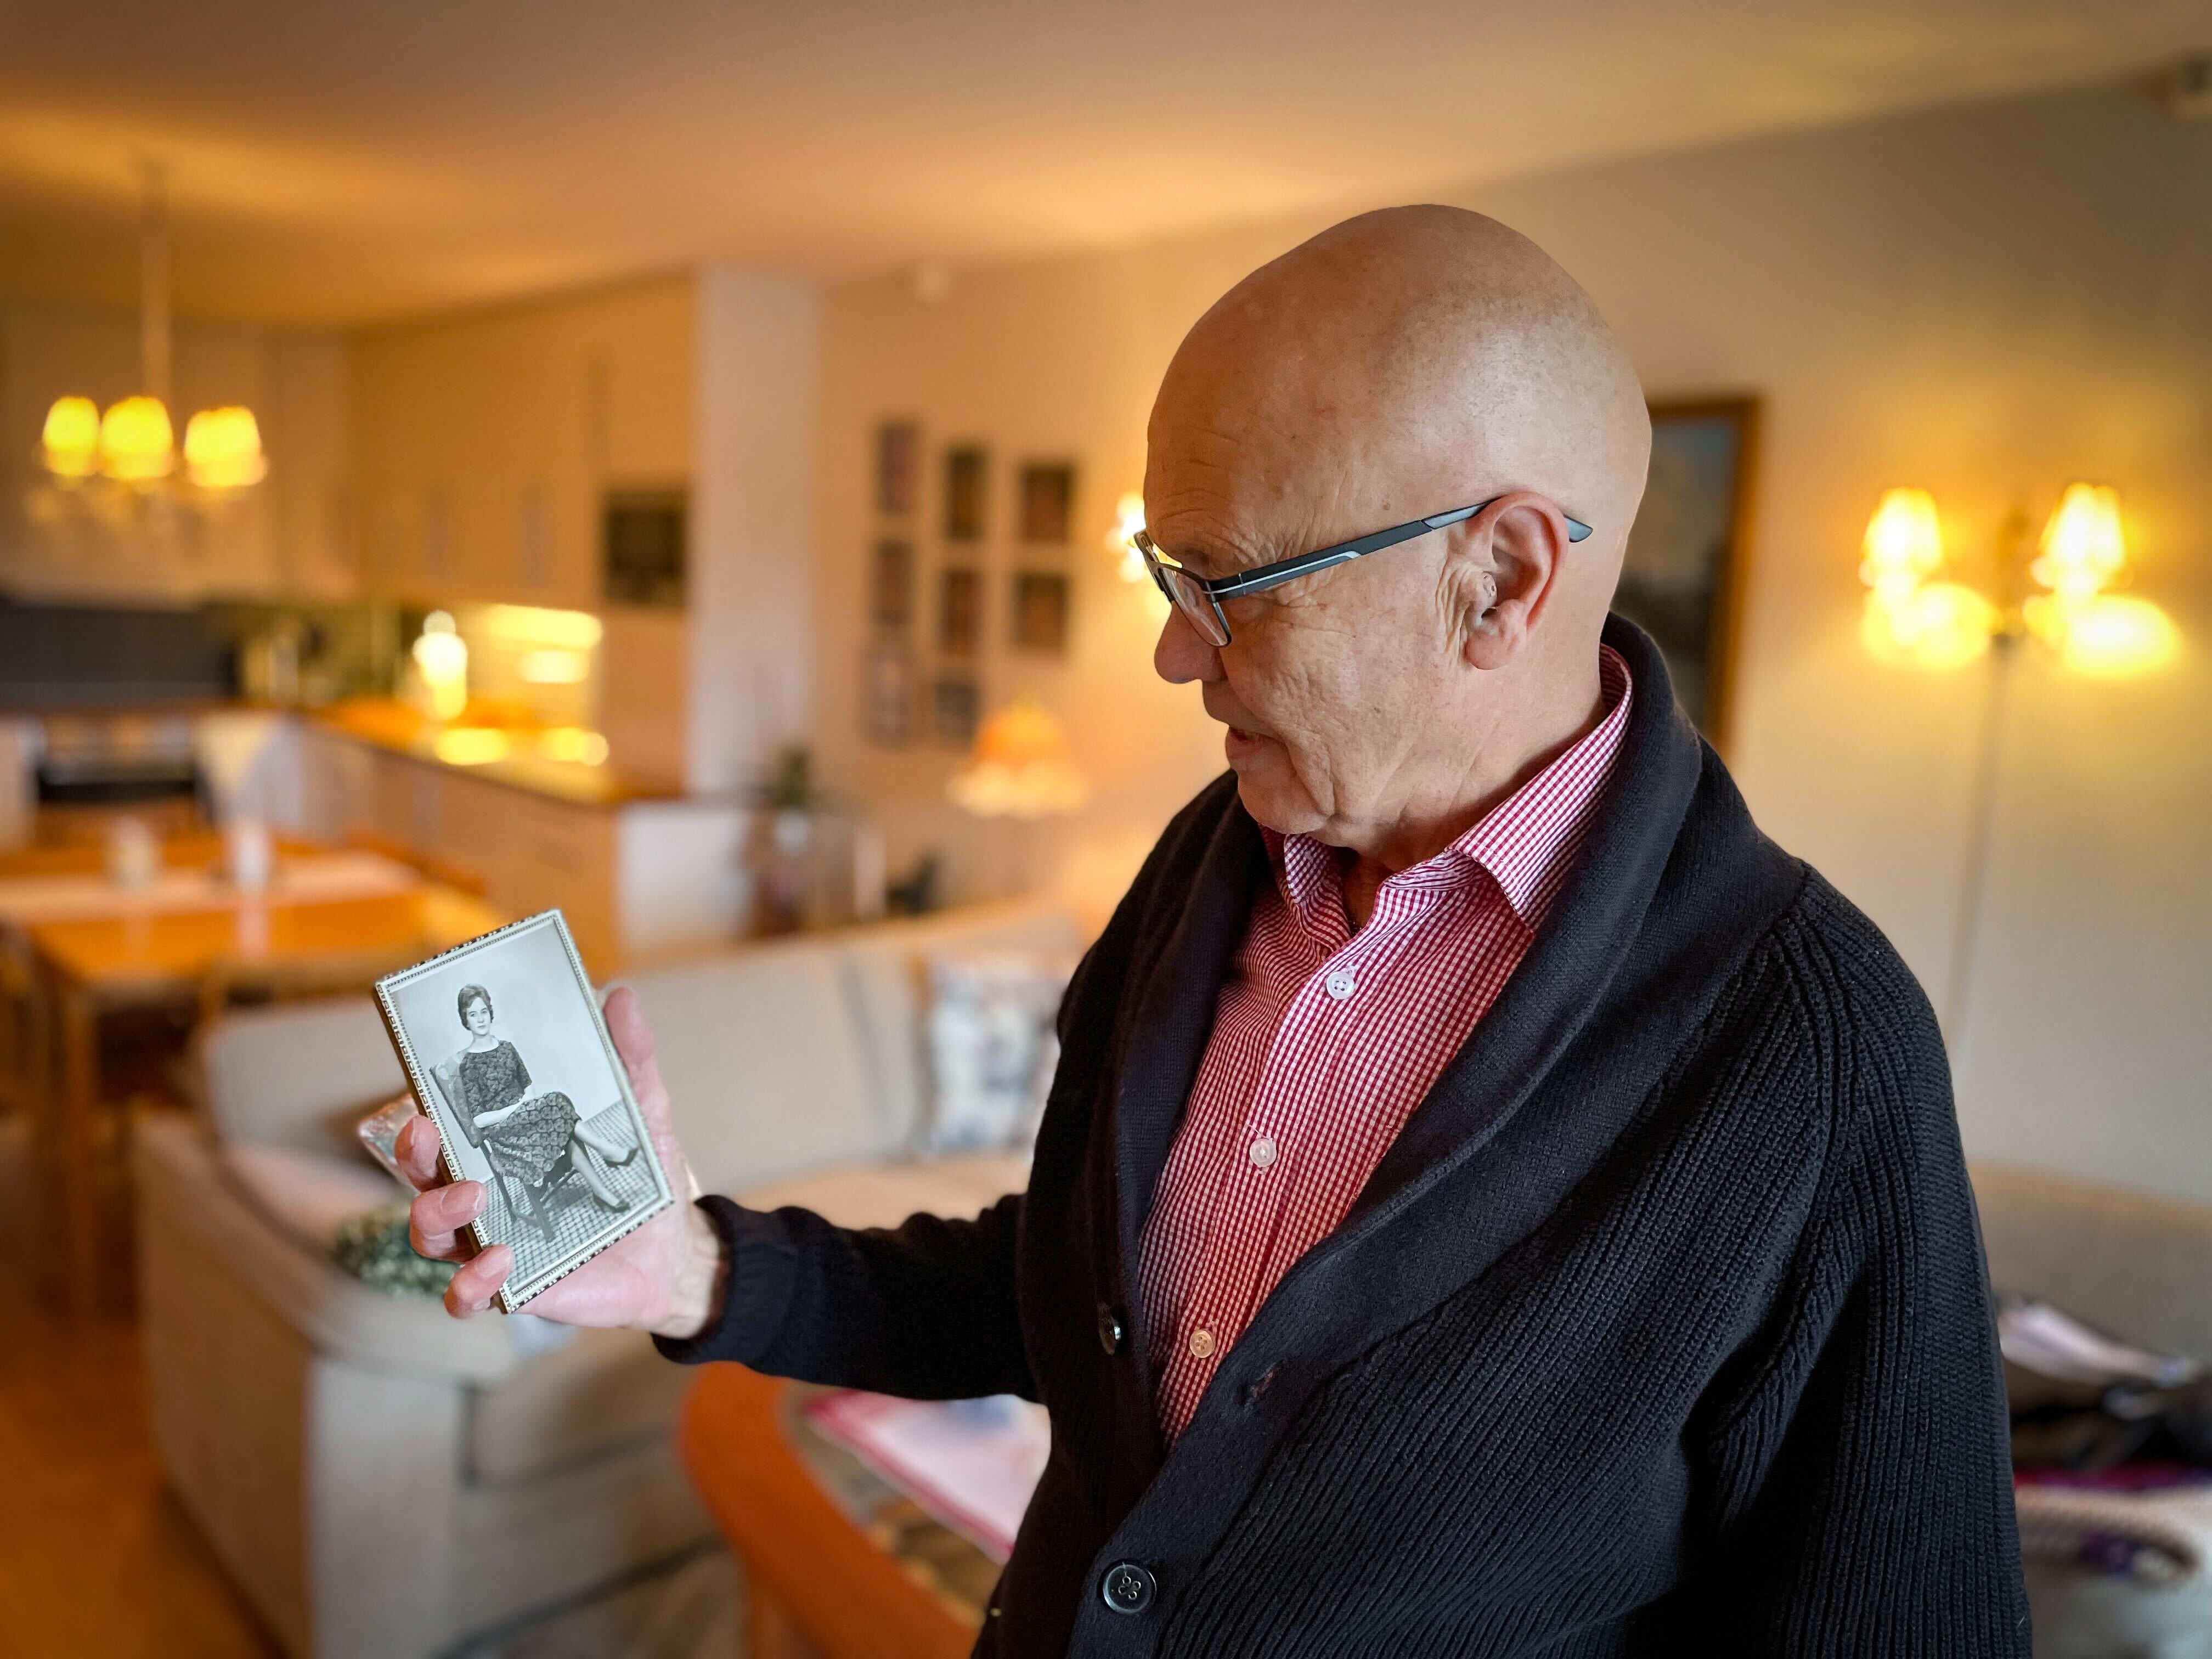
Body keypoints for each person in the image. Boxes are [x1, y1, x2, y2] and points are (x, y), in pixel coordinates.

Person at [401, 206, 2028, 1654]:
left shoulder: (1816, 1052)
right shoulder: (1215, 858)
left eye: (1230, 584)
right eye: (1165, 575)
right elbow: (1061, 1298)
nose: (1178, 657)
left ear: (1502, 579)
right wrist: (692, 1267)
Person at [432, 982, 634, 1232]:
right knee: (559, 1102)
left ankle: (602, 1191)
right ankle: (607, 1152)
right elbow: (478, 1120)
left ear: (490, 1012)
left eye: (484, 1011)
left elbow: (528, 1087)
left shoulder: (507, 1048)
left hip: (528, 1117)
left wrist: (525, 1105)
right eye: (473, 1014)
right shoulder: (469, 1066)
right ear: (466, 1020)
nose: (481, 1019)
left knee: (563, 1121)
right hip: (504, 1132)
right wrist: (515, 1110)